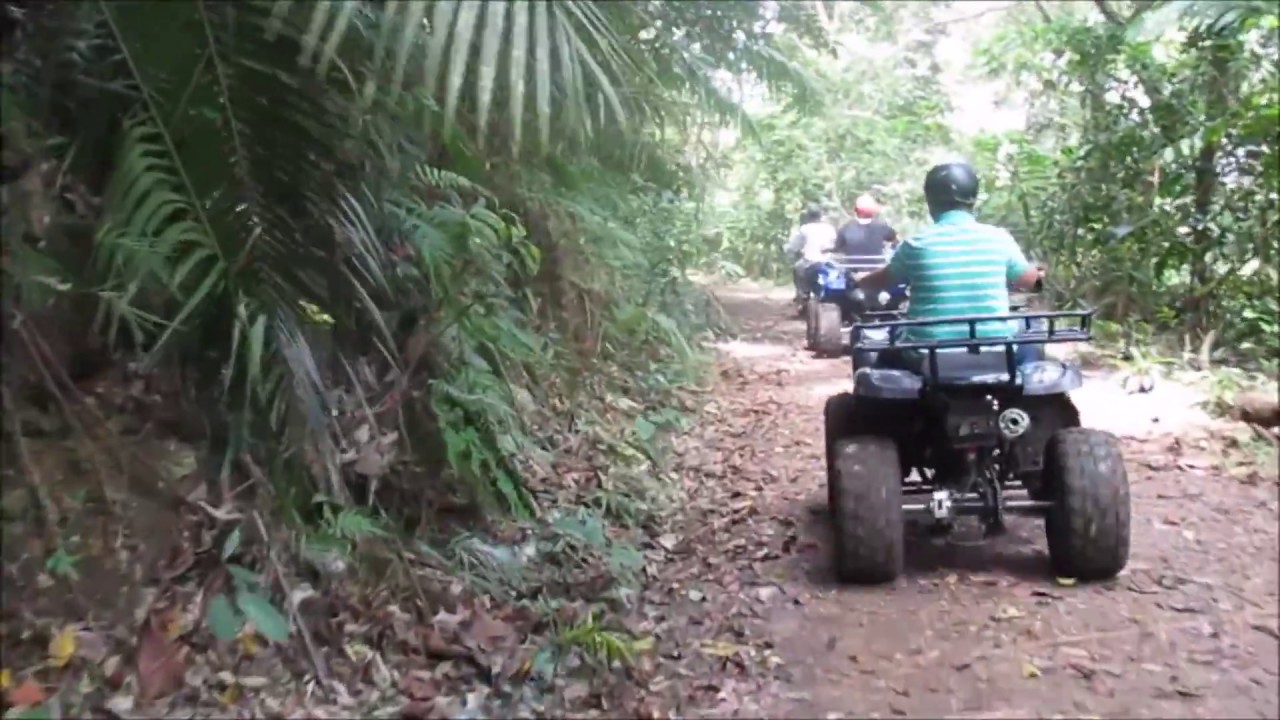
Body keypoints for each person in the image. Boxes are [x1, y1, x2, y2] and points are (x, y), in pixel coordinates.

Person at [855, 162, 1044, 368]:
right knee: (1031, 346)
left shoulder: (916, 244)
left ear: (930, 201)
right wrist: (1039, 274)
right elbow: (1031, 283)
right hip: (996, 350)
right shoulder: (999, 239)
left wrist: (860, 281)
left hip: (927, 355)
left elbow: (884, 280)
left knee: (883, 352)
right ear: (973, 199)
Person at [784, 207, 838, 303]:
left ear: (809, 217)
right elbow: (835, 244)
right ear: (821, 216)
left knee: (797, 269)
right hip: (827, 261)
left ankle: (802, 294)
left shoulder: (805, 229)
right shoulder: (830, 228)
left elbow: (795, 245)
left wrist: (790, 250)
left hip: (809, 261)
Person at [835, 193, 898, 261]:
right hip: (876, 269)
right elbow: (896, 242)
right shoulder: (882, 227)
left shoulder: (845, 228)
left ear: (856, 210)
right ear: (873, 211)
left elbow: (838, 249)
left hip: (852, 268)